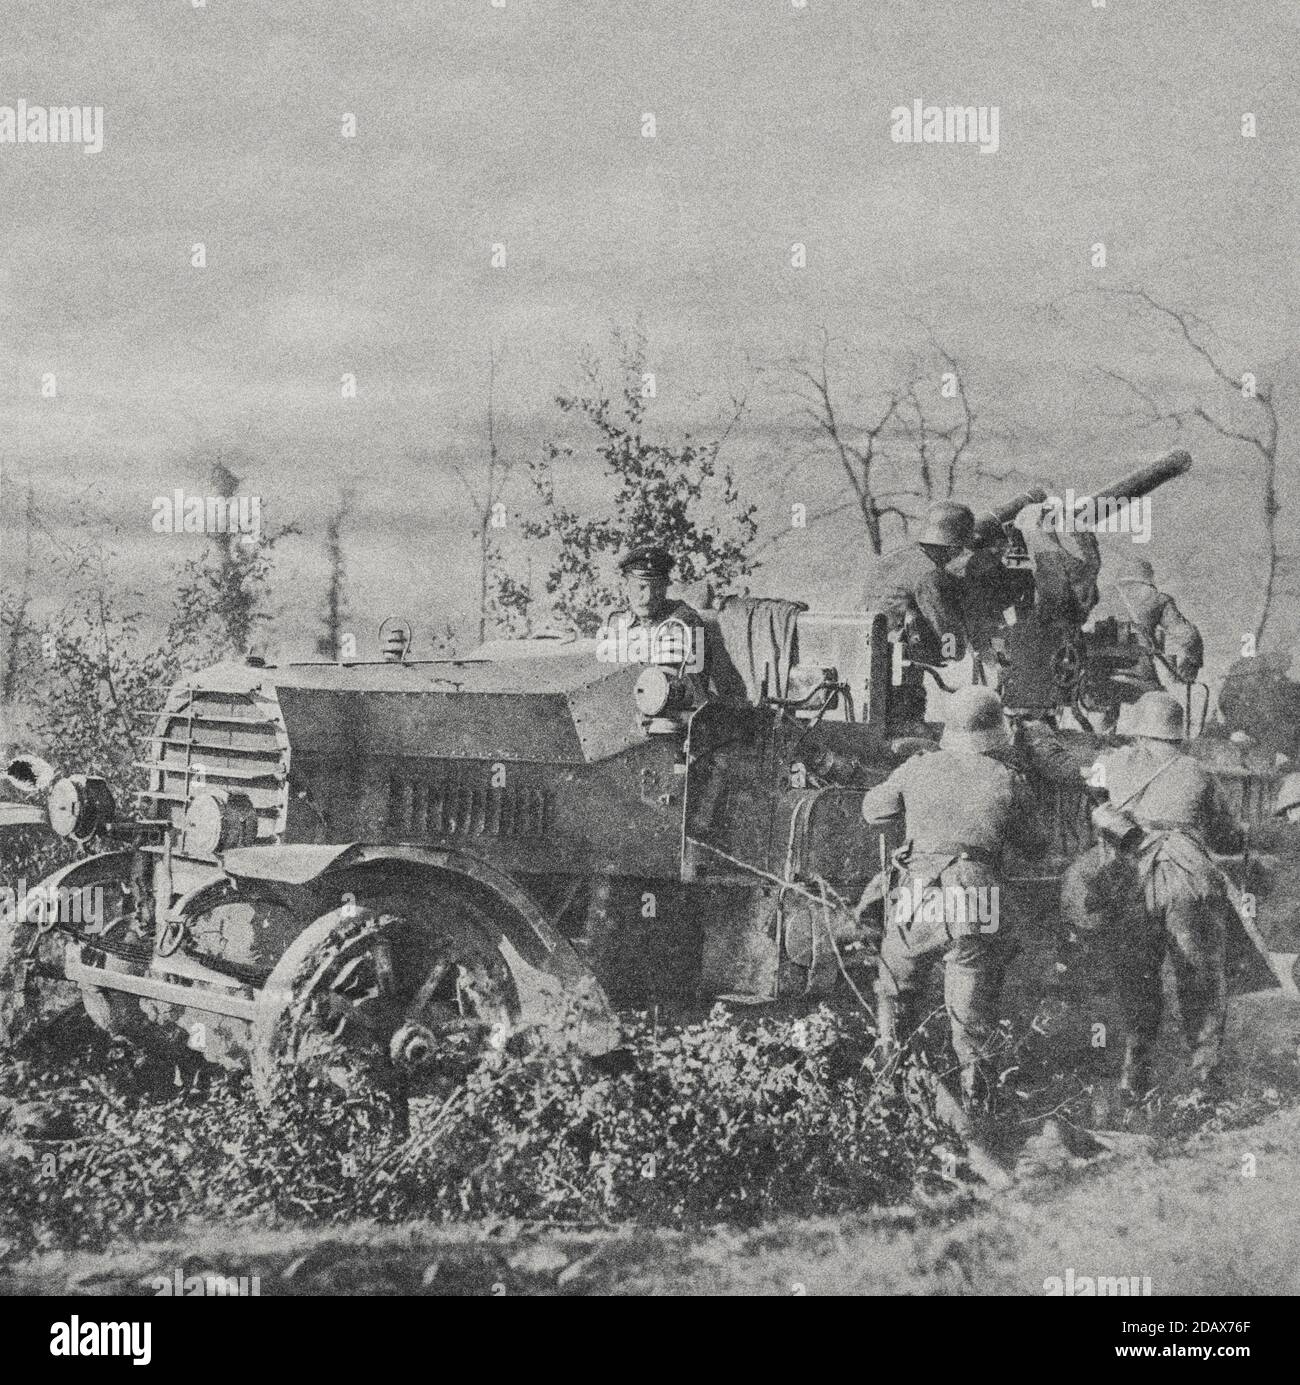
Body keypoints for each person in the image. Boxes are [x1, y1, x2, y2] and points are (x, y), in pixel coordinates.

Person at [861, 686, 1047, 1125]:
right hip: (976, 892)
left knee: (893, 989)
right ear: (996, 732)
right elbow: (1035, 846)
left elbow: (875, 811)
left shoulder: (918, 767)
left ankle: (887, 1095)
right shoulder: (1008, 777)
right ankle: (978, 1113)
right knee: (971, 1012)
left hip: (919, 890)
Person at [1089, 690, 1242, 1098]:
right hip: (1188, 879)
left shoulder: (1110, 761)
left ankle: (1134, 1076)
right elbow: (1228, 836)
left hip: (1131, 878)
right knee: (1200, 979)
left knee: (1137, 979)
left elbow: (1092, 801)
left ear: (1139, 731)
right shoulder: (1198, 771)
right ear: (1177, 734)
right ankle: (1206, 1080)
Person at [868, 501, 974, 723]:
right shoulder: (929, 577)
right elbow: (950, 642)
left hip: (867, 656)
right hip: (896, 673)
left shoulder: (896, 558)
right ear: (954, 547)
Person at [599, 544, 709, 695]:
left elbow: (682, 686)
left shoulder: (682, 620)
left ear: (665, 587)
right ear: (625, 585)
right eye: (641, 587)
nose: (648, 597)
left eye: (656, 588)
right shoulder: (616, 621)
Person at [1214, 650, 1300, 762]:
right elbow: (1225, 723)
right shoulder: (1236, 697)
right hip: (1252, 751)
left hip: (1278, 754)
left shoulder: (1287, 693)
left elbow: (1285, 733)